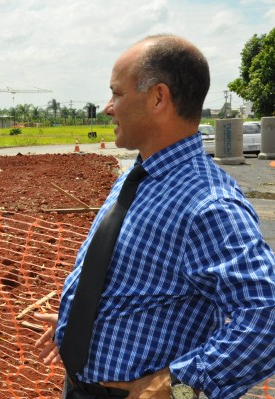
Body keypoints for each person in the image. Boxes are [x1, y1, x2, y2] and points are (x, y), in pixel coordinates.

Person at [35, 34, 275, 399]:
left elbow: (266, 316)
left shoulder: (208, 204)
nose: (107, 107)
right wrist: (84, 324)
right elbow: (141, 284)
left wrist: (180, 385)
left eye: (116, 93)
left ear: (158, 98)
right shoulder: (140, 176)